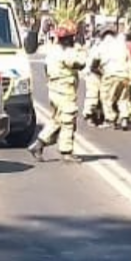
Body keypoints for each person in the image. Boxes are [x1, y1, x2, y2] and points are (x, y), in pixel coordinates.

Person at [28, 20, 87, 164]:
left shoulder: (53, 51)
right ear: (68, 38)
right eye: (72, 37)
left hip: (54, 90)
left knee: (57, 120)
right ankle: (66, 151)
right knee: (68, 120)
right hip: (64, 91)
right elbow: (80, 63)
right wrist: (80, 46)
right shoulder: (65, 53)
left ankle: (38, 145)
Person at [96, 24, 131, 130]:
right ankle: (124, 117)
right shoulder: (121, 44)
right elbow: (128, 60)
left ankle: (110, 119)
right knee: (123, 98)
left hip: (110, 74)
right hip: (124, 75)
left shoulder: (103, 45)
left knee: (106, 97)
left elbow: (95, 61)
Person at [82, 31, 103, 126]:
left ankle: (99, 116)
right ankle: (88, 115)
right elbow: (93, 65)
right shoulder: (98, 47)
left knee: (102, 96)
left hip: (101, 74)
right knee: (93, 95)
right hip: (93, 74)